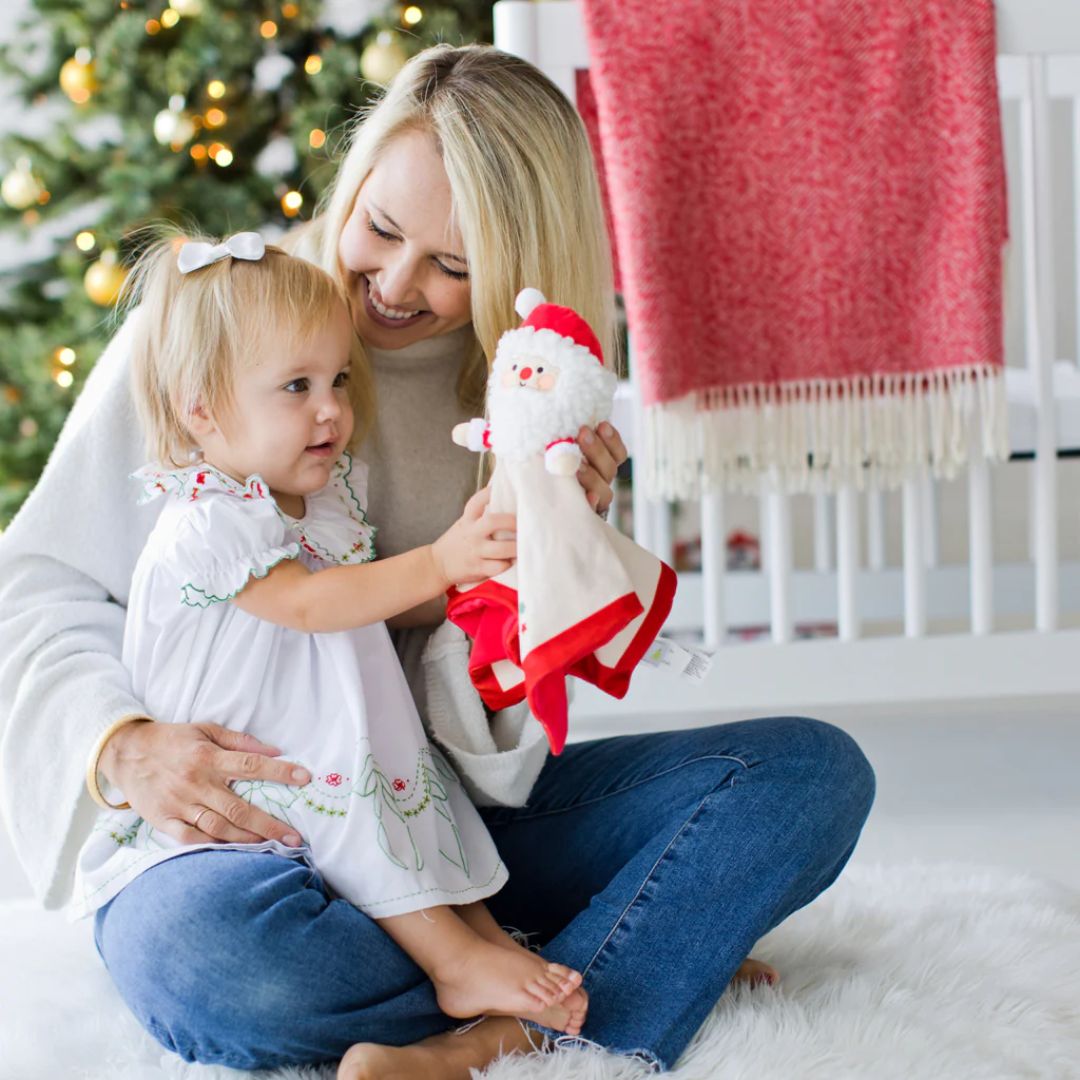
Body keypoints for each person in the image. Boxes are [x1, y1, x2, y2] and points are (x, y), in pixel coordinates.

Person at [0, 43, 876, 1078]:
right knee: (222, 958)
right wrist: (123, 745)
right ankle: (610, 966)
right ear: (358, 178)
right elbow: (39, 582)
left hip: (434, 814)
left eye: (453, 267)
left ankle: (499, 1014)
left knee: (805, 776)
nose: (395, 285)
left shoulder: (519, 403)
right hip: (241, 827)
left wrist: (538, 565)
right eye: (379, 229)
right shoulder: (213, 322)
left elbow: (496, 752)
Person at [69, 228, 589, 1035]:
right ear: (202, 411)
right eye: (296, 386)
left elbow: (374, 603)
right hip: (261, 760)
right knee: (340, 820)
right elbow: (314, 605)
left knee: (424, 805)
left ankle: (485, 946)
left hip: (346, 731)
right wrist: (442, 560)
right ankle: (455, 965)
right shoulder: (207, 519)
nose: (332, 409)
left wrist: (479, 572)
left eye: (339, 379)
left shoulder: (320, 497)